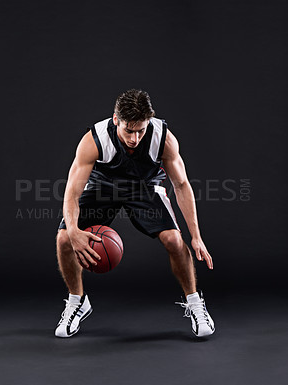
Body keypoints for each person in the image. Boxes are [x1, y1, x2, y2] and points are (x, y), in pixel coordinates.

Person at [55, 89, 214, 338]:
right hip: (102, 186)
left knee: (174, 239)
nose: (135, 138)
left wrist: (196, 236)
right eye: (129, 131)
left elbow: (181, 185)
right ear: (116, 119)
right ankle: (77, 301)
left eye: (140, 130)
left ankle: (195, 303)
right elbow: (72, 192)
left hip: (145, 187)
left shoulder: (164, 139)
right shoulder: (94, 139)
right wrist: (74, 230)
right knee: (64, 238)